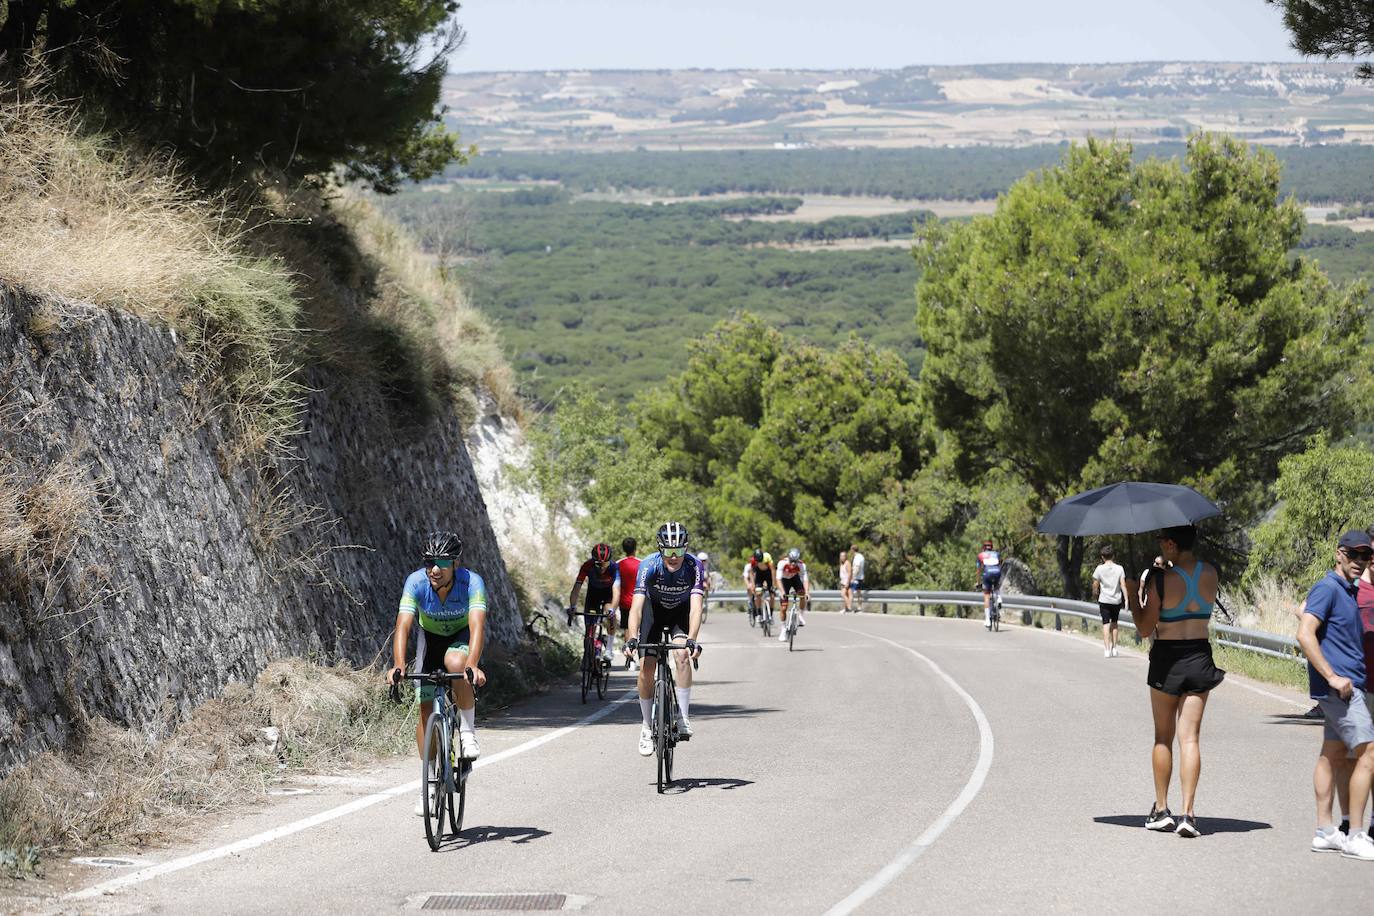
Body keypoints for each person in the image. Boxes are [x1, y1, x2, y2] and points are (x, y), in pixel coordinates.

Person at [387, 530, 488, 816]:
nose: (434, 568)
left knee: (457, 663)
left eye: (441, 563)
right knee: (424, 708)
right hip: (429, 641)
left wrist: (473, 664)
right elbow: (404, 625)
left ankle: (467, 732)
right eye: (429, 561)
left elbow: (477, 626)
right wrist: (398, 665)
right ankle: (429, 784)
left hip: (461, 638)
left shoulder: (472, 583)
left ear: (455, 563)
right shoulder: (416, 582)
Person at [1135, 525, 1224, 838]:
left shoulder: (1161, 579)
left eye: (1161, 540)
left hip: (1167, 658)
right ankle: (1189, 814)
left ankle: (1161, 810)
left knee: (1163, 737)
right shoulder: (1211, 573)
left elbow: (1145, 628)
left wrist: (1136, 597)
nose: (1159, 545)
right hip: (1199, 655)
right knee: (1191, 739)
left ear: (1171, 544)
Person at [1297, 530, 1374, 860]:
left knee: (1332, 754)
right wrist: (1331, 676)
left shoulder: (1348, 590)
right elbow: (1304, 633)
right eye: (1354, 554)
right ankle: (1356, 834)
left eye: (1366, 556)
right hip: (1341, 689)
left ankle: (1325, 831)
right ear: (1339, 554)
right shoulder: (1329, 587)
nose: (1359, 561)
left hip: (1343, 686)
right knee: (1369, 754)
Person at [624, 522, 704, 755]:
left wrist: (692, 639)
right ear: (660, 549)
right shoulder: (648, 565)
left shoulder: (694, 566)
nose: (673, 556)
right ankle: (647, 726)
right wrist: (631, 638)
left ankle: (683, 717)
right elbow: (636, 608)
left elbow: (696, 608)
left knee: (681, 655)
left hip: (681, 611)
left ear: (685, 549)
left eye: (678, 550)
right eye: (668, 550)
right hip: (653, 612)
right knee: (646, 666)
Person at [569, 543, 621, 665]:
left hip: (608, 594)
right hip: (593, 595)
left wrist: (613, 609)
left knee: (610, 613)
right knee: (589, 628)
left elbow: (617, 591)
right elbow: (576, 588)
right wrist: (572, 606)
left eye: (605, 564)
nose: (602, 567)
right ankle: (588, 653)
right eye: (599, 564)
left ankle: (608, 649)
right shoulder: (587, 566)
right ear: (593, 561)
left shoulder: (614, 567)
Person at [1092, 545, 1127, 658]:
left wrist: (1095, 595)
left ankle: (1106, 650)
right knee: (1115, 624)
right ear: (1113, 556)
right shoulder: (1120, 568)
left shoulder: (1099, 569)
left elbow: (1095, 585)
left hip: (1104, 600)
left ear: (1102, 557)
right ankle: (1115, 648)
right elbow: (1123, 585)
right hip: (1116, 600)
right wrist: (1126, 599)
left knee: (1106, 624)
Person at [617, 538, 642, 671]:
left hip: (624, 602)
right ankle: (642, 656)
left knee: (628, 628)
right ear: (635, 548)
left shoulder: (618, 564)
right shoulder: (642, 563)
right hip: (639, 601)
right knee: (639, 629)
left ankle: (630, 658)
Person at [777, 547, 810, 640]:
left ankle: (801, 616)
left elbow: (805, 579)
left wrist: (807, 592)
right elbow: (778, 579)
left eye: (795, 561)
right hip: (784, 581)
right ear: (789, 558)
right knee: (783, 607)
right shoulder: (782, 563)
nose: (793, 563)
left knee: (803, 594)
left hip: (795, 579)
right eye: (791, 561)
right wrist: (782, 591)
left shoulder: (801, 565)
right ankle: (783, 629)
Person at [976, 540, 1002, 629]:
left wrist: (978, 582)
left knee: (986, 595)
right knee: (997, 586)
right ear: (991, 547)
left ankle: (987, 620)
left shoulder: (980, 555)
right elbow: (1000, 564)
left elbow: (978, 570)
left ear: (984, 548)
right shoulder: (997, 554)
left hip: (987, 573)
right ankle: (998, 598)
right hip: (997, 572)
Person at [747, 548, 776, 625]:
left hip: (768, 574)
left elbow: (773, 570)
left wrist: (773, 584)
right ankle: (759, 614)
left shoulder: (767, 557)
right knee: (758, 593)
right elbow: (751, 573)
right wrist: (753, 584)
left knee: (772, 595)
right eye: (758, 561)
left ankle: (771, 615)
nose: (759, 562)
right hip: (759, 575)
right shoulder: (753, 561)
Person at [849, 543, 866, 612]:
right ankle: (859, 608)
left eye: (851, 550)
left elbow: (857, 567)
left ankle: (849, 607)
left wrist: (853, 577)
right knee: (859, 593)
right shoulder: (861, 556)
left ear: (853, 550)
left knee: (850, 592)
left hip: (856, 578)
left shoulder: (857, 557)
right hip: (860, 577)